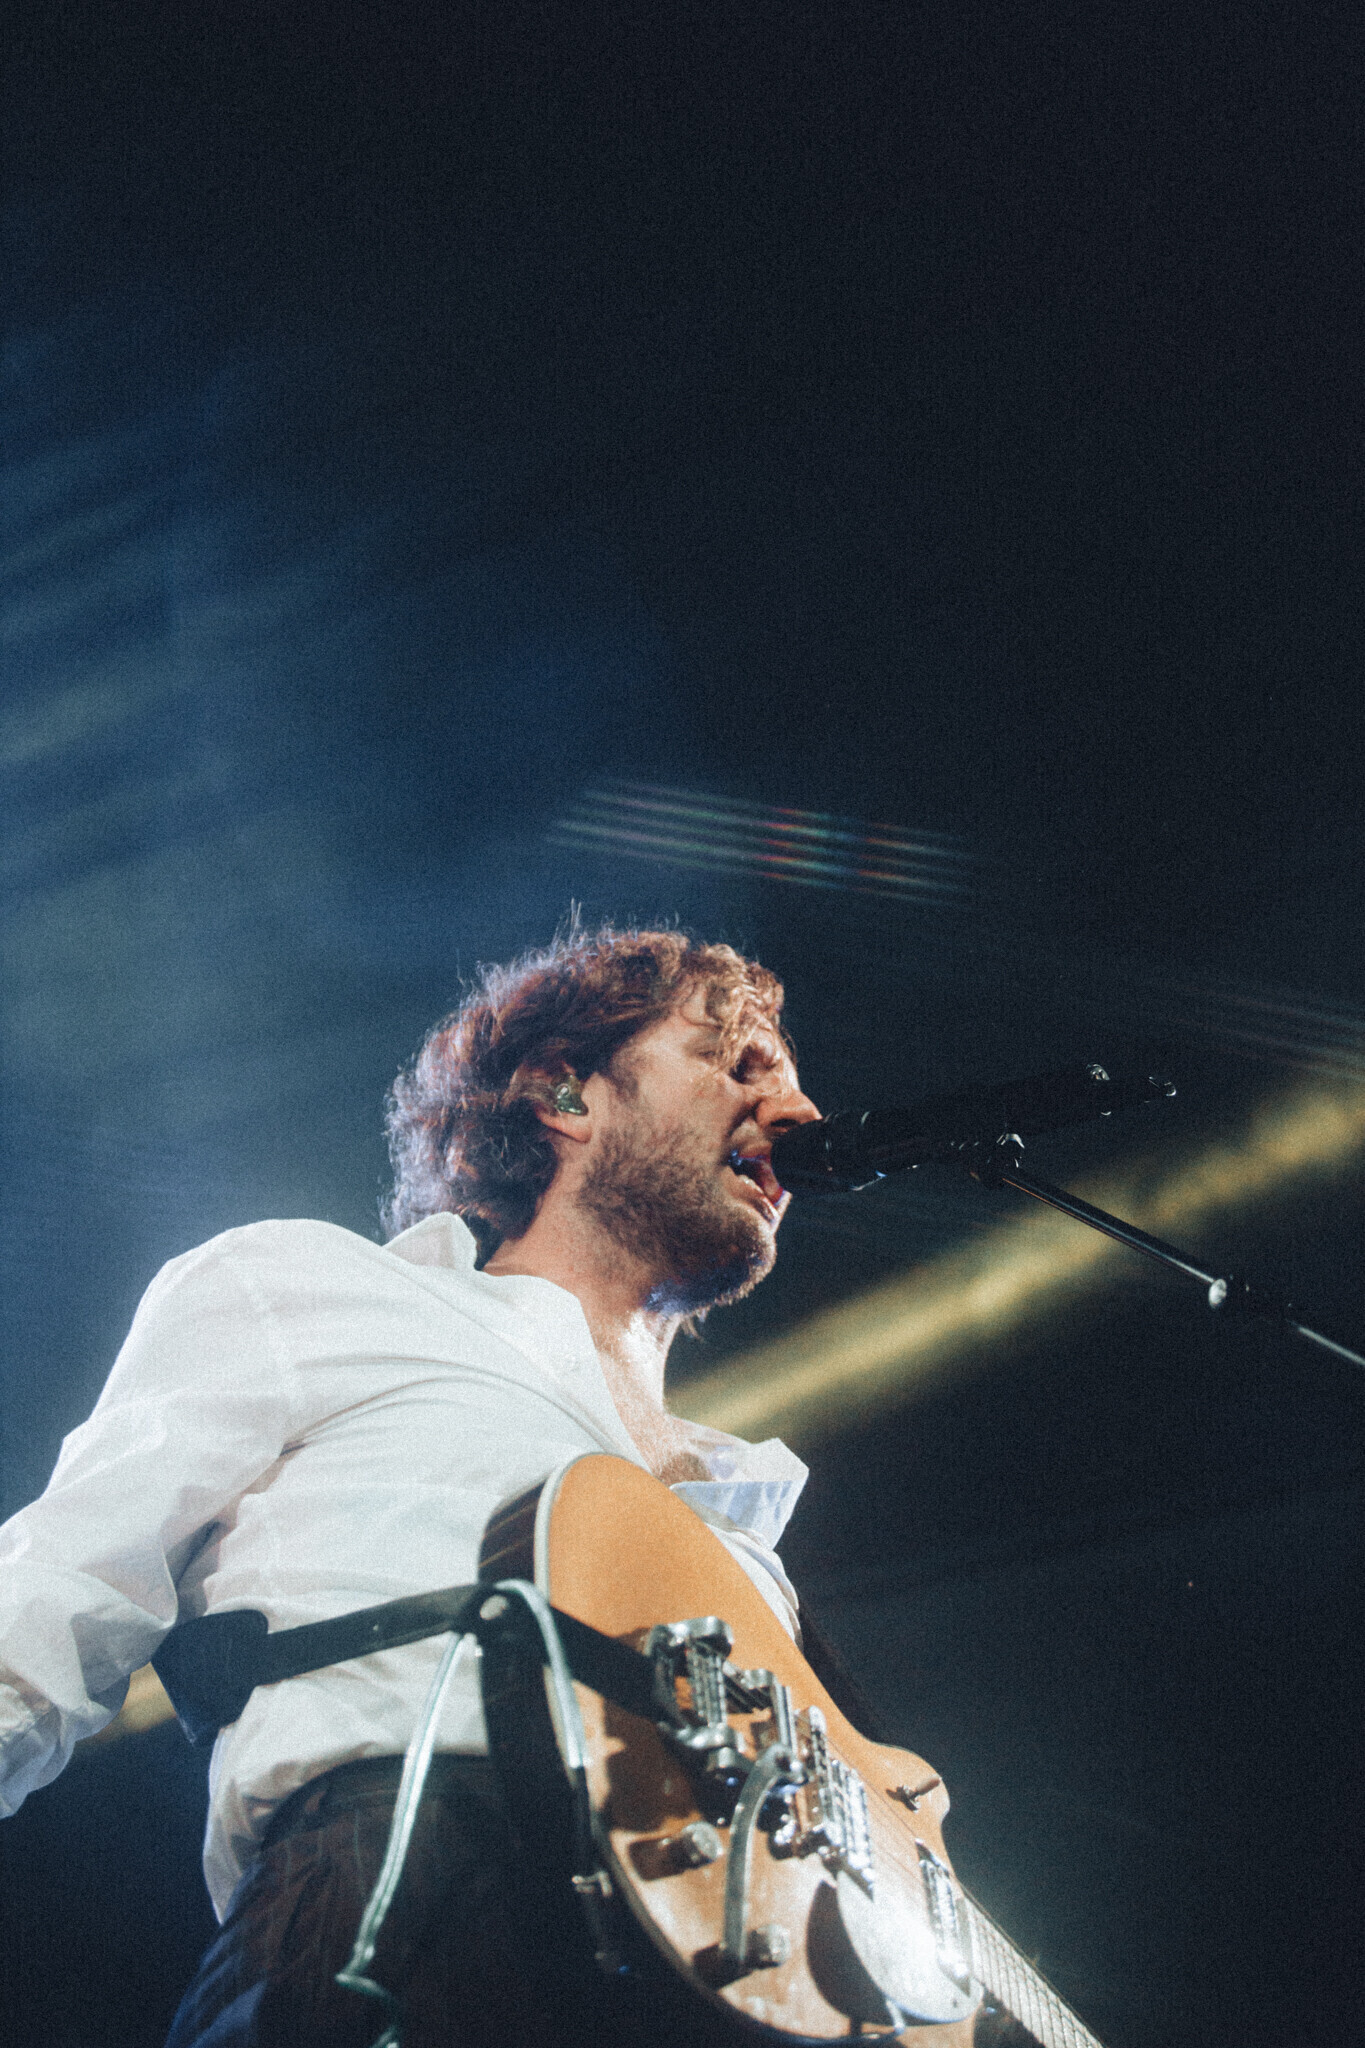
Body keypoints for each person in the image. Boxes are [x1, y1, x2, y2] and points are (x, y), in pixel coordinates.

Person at [0, 927, 821, 2045]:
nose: (797, 1111)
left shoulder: (743, 1532)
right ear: (565, 1093)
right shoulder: (310, 1287)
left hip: (714, 1989)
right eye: (738, 1064)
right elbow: (51, 1602)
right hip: (413, 1899)